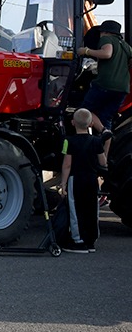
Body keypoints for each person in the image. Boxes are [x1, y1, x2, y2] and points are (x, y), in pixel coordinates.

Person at [78, 20, 132, 154]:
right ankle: (104, 158)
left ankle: (102, 132)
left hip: (105, 84)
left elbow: (107, 53)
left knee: (84, 112)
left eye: (101, 32)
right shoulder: (126, 46)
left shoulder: (107, 39)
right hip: (122, 89)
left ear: (106, 32)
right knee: (106, 117)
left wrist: (86, 51)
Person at [59, 108, 107, 253]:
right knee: (92, 208)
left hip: (76, 179)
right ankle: (91, 240)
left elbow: (67, 164)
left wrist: (63, 183)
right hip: (92, 179)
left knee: (76, 210)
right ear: (91, 124)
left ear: (73, 123)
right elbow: (103, 162)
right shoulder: (97, 141)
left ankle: (78, 241)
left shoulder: (68, 141)